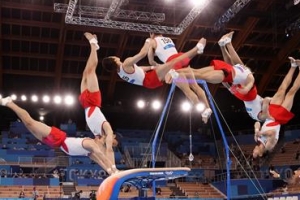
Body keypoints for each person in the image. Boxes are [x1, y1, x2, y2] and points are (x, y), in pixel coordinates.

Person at [102, 37, 212, 123]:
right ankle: (196, 49)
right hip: (149, 79)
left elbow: (139, 70)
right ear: (113, 59)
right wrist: (147, 41)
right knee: (173, 62)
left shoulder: (120, 73)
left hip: (148, 81)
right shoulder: (125, 63)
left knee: (177, 74)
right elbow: (142, 54)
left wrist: (153, 67)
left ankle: (202, 109)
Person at [0, 97, 119, 175]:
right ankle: (9, 102)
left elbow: (100, 161)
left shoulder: (90, 152)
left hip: (53, 143)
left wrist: (112, 173)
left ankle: (10, 103)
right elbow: (100, 155)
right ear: (101, 138)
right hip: (58, 137)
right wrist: (112, 169)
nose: (107, 143)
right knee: (29, 122)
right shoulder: (91, 144)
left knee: (27, 124)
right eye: (108, 141)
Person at [147, 32, 212, 122]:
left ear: (151, 34)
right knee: (195, 86)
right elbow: (163, 50)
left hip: (172, 63)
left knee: (186, 90)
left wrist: (150, 47)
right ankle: (208, 108)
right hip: (182, 58)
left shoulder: (152, 41)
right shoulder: (168, 38)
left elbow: (150, 61)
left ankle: (203, 111)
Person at [79, 32, 118, 170]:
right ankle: (93, 45)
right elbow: (109, 150)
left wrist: (109, 170)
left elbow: (98, 153)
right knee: (91, 72)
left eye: (112, 143)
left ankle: (94, 47)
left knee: (85, 73)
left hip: (85, 104)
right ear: (114, 137)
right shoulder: (107, 129)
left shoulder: (97, 136)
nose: (112, 143)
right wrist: (113, 168)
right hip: (94, 101)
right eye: (114, 142)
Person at [252, 57, 300, 158]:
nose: (253, 151)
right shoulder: (269, 147)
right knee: (292, 91)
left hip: (271, 114)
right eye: (255, 153)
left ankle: (293, 66)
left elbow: (257, 122)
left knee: (282, 88)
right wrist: (262, 133)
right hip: (279, 118)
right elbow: (273, 133)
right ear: (260, 154)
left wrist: (256, 130)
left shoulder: (257, 139)